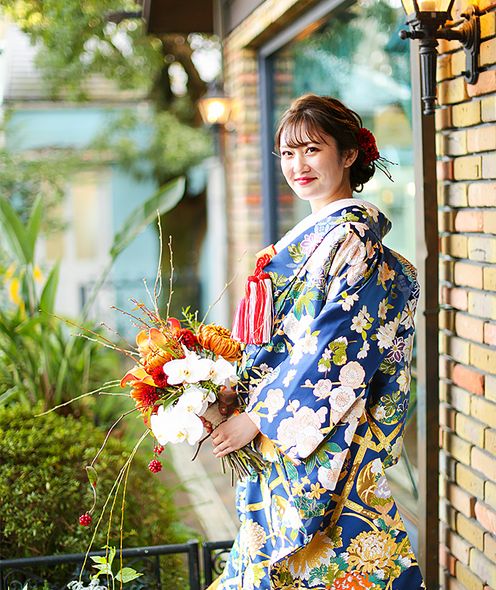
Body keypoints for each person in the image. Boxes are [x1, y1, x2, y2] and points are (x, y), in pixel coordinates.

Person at [209, 94, 425, 589]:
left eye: (311, 150)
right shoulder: (319, 234)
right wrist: (231, 388)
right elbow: (284, 337)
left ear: (348, 154)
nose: (297, 166)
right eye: (288, 153)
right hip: (282, 428)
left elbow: (336, 344)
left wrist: (259, 416)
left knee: (325, 557)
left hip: (316, 427)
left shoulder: (352, 237)